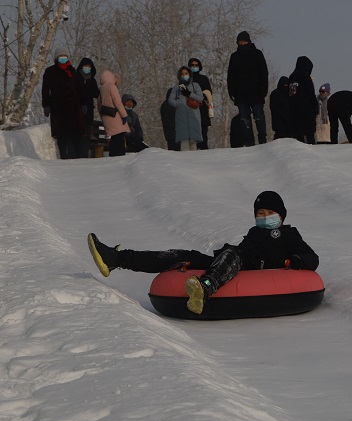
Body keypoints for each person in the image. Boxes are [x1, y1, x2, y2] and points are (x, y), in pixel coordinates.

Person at [87, 190, 319, 315]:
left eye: (269, 212)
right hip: (232, 260)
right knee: (180, 255)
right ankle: (116, 259)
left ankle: (205, 289)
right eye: (259, 213)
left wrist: (298, 261)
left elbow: (312, 257)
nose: (263, 217)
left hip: (252, 266)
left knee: (233, 255)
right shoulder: (253, 232)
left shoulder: (289, 234)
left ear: (281, 215)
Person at [42, 47, 86, 159]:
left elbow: (79, 88)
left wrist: (83, 103)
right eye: (61, 57)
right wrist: (46, 104)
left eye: (65, 57)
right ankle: (63, 157)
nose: (63, 59)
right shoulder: (50, 71)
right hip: (58, 107)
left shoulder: (72, 71)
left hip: (74, 108)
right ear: (57, 58)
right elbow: (45, 89)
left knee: (76, 134)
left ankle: (78, 157)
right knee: (62, 135)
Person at [227, 31, 269, 146]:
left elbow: (264, 73)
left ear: (249, 41)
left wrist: (263, 90)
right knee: (244, 119)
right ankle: (249, 141)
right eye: (240, 42)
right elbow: (230, 76)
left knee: (259, 116)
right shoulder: (234, 57)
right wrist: (231, 91)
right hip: (241, 94)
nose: (242, 44)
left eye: (244, 41)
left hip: (256, 93)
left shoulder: (257, 54)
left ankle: (262, 139)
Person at [169, 66, 204, 151]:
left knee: (193, 141)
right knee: (184, 142)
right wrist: (178, 104)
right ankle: (184, 163)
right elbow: (170, 99)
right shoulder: (177, 86)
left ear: (189, 74)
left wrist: (189, 94)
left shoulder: (195, 85)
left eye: (186, 73)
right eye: (182, 74)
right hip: (181, 116)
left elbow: (201, 98)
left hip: (194, 115)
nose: (184, 75)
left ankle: (194, 163)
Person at [98, 70, 130, 157]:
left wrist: (103, 117)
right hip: (115, 116)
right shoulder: (112, 87)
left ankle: (113, 154)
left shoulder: (101, 88)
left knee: (114, 137)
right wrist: (124, 115)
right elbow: (118, 102)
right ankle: (118, 156)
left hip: (106, 116)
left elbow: (99, 105)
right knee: (119, 137)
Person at [288, 56, 318, 144]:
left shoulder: (292, 77)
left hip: (294, 110)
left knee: (298, 136)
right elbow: (311, 93)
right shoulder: (306, 76)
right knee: (310, 135)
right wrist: (315, 106)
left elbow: (291, 94)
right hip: (306, 110)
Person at [76, 57, 100, 157]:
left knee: (87, 133)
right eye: (85, 66)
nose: (87, 68)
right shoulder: (77, 79)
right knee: (78, 133)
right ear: (81, 67)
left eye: (89, 67)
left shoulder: (92, 80)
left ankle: (84, 155)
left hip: (89, 111)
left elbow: (96, 94)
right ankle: (76, 154)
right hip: (77, 110)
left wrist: (89, 84)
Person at [188, 57, 213, 149]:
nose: (194, 67)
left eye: (196, 65)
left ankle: (204, 152)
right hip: (189, 109)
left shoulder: (204, 79)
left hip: (202, 108)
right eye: (192, 65)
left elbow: (209, 92)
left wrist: (201, 98)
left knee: (203, 133)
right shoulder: (186, 79)